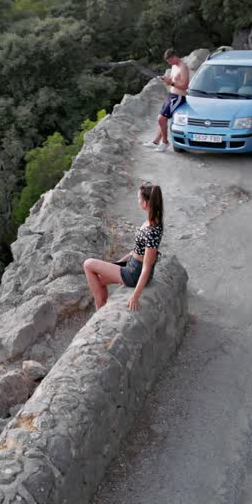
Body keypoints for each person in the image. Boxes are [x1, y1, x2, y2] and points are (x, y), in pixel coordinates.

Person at [82, 182, 164, 311]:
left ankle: (99, 307)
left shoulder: (152, 231)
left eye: (139, 199)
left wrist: (135, 296)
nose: (137, 201)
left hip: (134, 274)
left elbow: (147, 267)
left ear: (146, 203)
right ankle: (102, 307)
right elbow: (137, 250)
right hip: (132, 265)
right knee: (98, 280)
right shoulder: (151, 221)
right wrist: (118, 263)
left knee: (88, 264)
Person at [144, 49, 190, 152]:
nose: (169, 63)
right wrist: (166, 79)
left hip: (178, 97)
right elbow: (174, 80)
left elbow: (185, 85)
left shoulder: (183, 67)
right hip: (171, 95)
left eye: (169, 61)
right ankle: (155, 141)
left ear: (174, 57)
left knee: (161, 118)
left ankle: (165, 142)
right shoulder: (174, 66)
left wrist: (171, 83)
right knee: (162, 119)